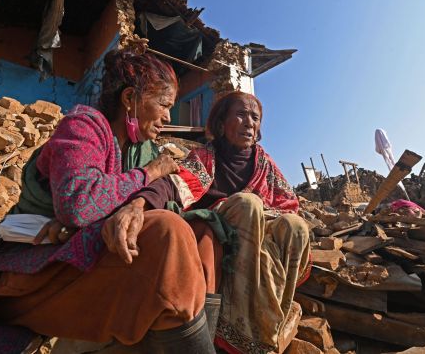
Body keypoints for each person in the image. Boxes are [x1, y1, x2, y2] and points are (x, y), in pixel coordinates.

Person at [0, 51, 220, 354]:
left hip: (83, 264)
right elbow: (79, 205)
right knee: (168, 233)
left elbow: (164, 201)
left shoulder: (139, 150)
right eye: (164, 105)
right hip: (34, 276)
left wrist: (136, 205)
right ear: (130, 98)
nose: (168, 116)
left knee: (204, 234)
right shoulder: (83, 127)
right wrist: (148, 174)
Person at [130, 91, 311, 353]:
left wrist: (271, 219)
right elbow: (175, 185)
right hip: (220, 228)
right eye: (240, 114)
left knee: (296, 227)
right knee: (248, 203)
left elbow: (288, 204)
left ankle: (267, 331)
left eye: (255, 117)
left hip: (258, 226)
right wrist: (140, 204)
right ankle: (231, 330)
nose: (249, 122)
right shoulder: (205, 157)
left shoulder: (265, 164)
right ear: (222, 123)